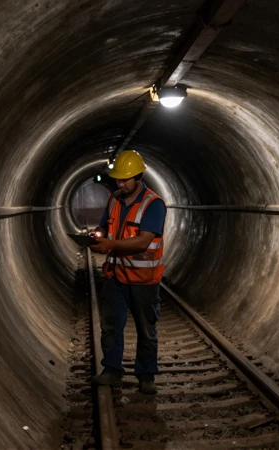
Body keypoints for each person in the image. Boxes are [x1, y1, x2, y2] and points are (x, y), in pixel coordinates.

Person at [89, 150, 166, 395]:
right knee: (111, 325)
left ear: (139, 176)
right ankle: (112, 371)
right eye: (117, 180)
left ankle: (146, 376)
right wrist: (97, 234)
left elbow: (143, 242)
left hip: (144, 280)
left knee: (146, 329)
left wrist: (111, 245)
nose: (120, 183)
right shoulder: (114, 199)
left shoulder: (153, 205)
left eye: (125, 179)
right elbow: (105, 226)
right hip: (116, 274)